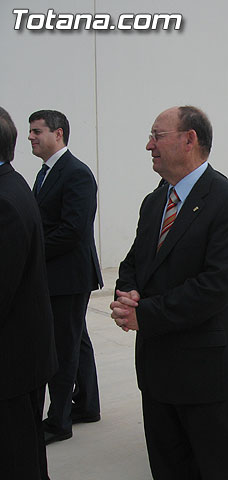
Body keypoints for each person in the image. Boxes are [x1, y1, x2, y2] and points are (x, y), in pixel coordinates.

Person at [110, 106, 228, 479]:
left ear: (189, 139)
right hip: (157, 371)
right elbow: (135, 263)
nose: (149, 145)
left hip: (207, 376)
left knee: (222, 469)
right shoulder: (155, 201)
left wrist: (145, 315)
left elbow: (216, 287)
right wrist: (126, 294)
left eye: (157, 136)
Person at [28, 109, 103, 444]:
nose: (31, 137)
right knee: (77, 341)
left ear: (58, 134)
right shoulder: (45, 174)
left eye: (37, 131)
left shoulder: (76, 174)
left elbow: (73, 230)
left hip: (69, 277)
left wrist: (31, 249)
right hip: (57, 275)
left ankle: (58, 421)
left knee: (63, 346)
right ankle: (87, 405)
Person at [0, 106, 57, 479]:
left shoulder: (5, 201)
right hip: (21, 357)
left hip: (12, 362)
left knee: (16, 459)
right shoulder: (13, 183)